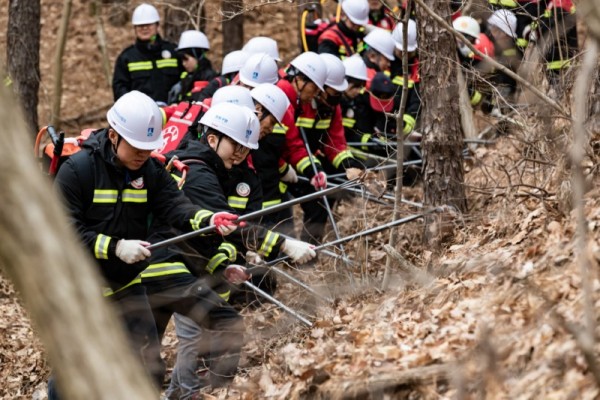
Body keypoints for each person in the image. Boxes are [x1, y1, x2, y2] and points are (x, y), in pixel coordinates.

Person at [48, 91, 239, 400]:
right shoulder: (79, 171)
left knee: (148, 365)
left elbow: (177, 206)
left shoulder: (149, 170)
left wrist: (209, 219)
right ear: (113, 136)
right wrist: (115, 246)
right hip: (80, 289)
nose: (142, 155)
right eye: (136, 148)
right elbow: (63, 231)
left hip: (127, 285)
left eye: (148, 149)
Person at [158, 103, 316, 398]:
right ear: (212, 138)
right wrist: (283, 243)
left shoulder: (220, 168)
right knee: (187, 339)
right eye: (236, 145)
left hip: (190, 263)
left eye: (246, 148)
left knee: (199, 335)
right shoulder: (198, 173)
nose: (241, 154)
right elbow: (226, 222)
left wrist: (230, 262)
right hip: (170, 266)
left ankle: (181, 394)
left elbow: (219, 230)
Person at [286, 53, 363, 244]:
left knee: (319, 205)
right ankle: (282, 258)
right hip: (286, 162)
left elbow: (335, 142)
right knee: (280, 210)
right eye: (332, 92)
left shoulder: (331, 107)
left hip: (308, 163)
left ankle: (309, 255)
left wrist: (350, 164)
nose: (336, 98)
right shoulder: (297, 102)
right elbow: (291, 141)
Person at [112, 3, 181, 104]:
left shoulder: (174, 52)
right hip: (141, 116)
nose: (144, 28)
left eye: (149, 24)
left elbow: (188, 75)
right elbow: (120, 89)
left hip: (173, 112)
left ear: (157, 25)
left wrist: (182, 87)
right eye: (140, 25)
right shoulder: (127, 57)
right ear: (134, 28)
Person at [168, 30, 218, 104]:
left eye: (186, 59)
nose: (183, 64)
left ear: (197, 55)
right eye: (182, 60)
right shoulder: (187, 76)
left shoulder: (209, 77)